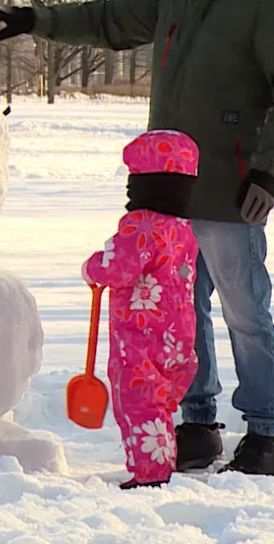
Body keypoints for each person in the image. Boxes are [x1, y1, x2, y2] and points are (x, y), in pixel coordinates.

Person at [0, 0, 274, 475]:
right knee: (180, 318)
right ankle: (198, 423)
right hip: (168, 194)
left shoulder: (268, 3)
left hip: (232, 189)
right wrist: (33, 19)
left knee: (245, 314)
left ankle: (261, 430)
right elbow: (106, 18)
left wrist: (267, 169)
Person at [80, 130, 200, 490]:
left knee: (138, 402)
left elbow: (120, 268)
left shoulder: (141, 226)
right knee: (160, 401)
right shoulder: (183, 227)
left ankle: (151, 473)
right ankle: (162, 460)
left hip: (139, 334)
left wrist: (92, 267)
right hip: (178, 335)